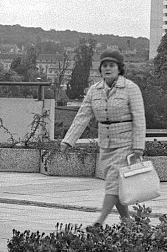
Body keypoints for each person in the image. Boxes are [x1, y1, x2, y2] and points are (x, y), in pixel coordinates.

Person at [60, 48, 146, 224]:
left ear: (119, 68)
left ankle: (99, 222)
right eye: (104, 65)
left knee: (113, 182)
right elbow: (82, 116)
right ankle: (127, 222)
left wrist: (138, 146)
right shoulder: (94, 90)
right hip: (105, 143)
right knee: (116, 184)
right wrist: (68, 141)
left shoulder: (130, 88)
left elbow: (139, 118)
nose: (107, 68)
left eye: (112, 65)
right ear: (100, 69)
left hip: (126, 142)